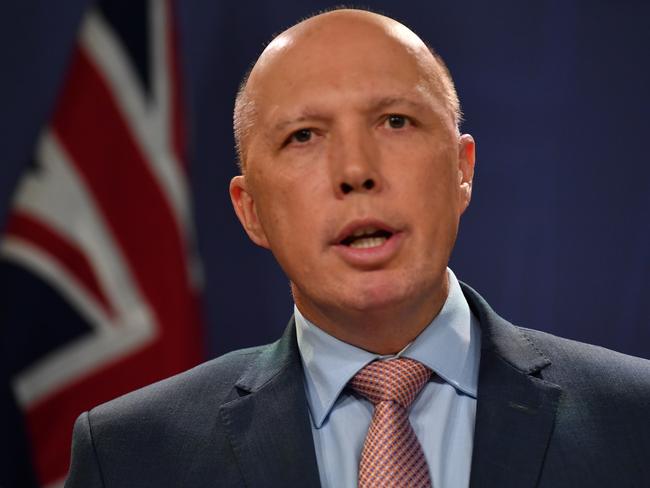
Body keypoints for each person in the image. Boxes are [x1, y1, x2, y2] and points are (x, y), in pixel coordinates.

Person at [65, 8, 650, 488]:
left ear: (462, 171)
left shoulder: (634, 420)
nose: (355, 171)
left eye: (395, 121)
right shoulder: (128, 456)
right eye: (303, 136)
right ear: (252, 211)